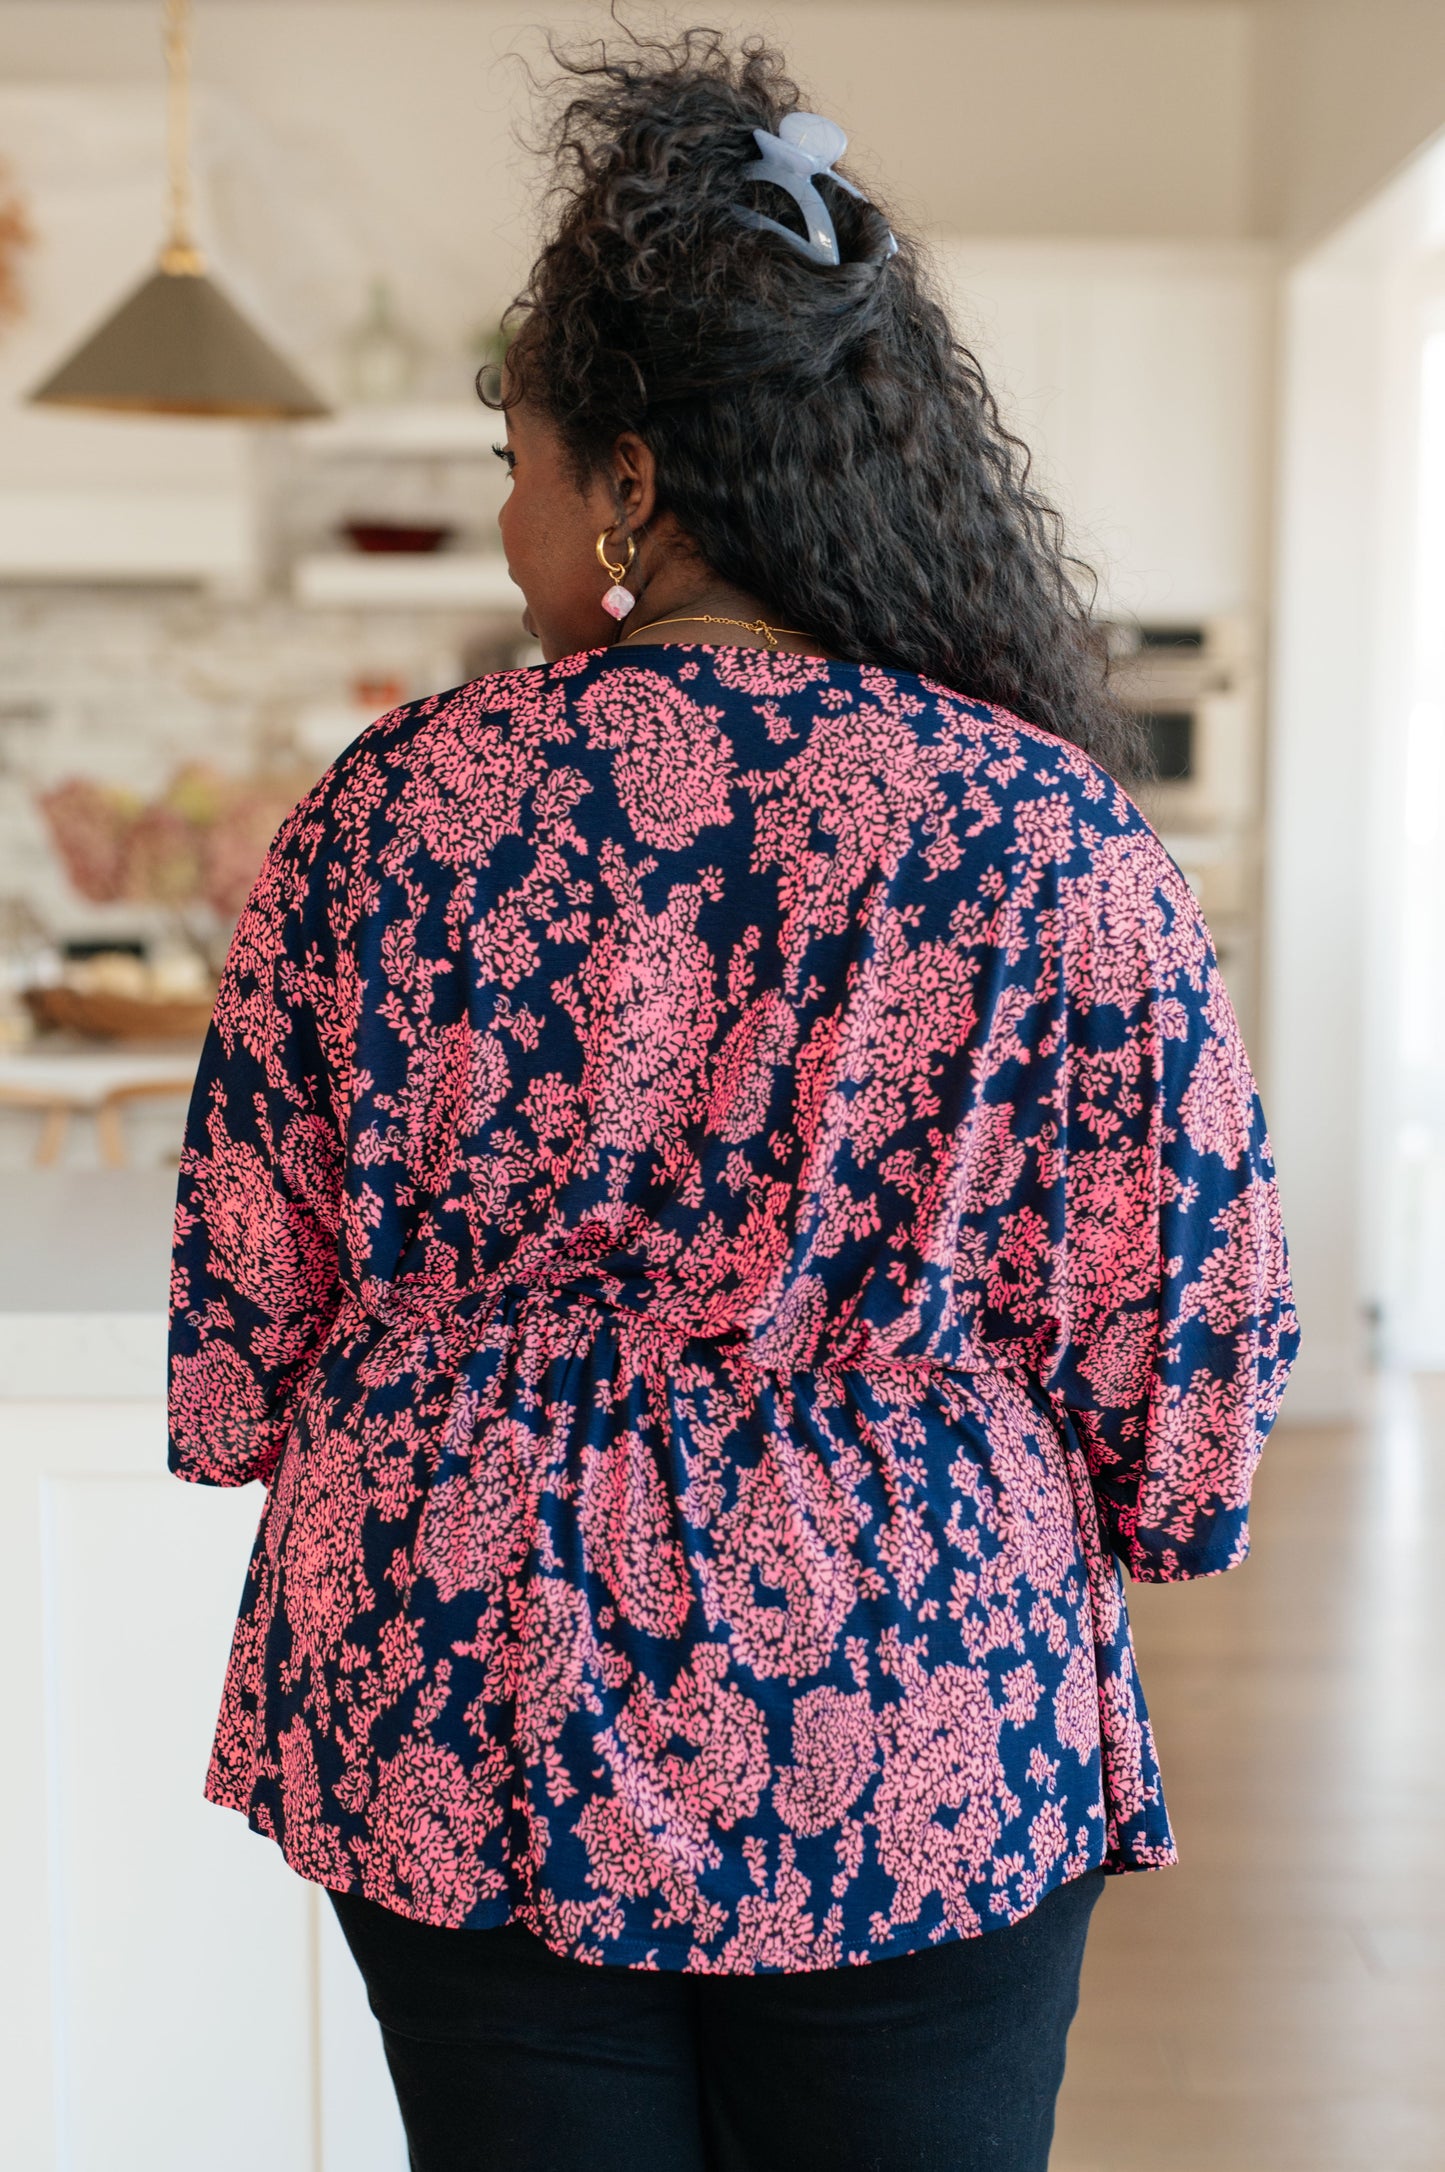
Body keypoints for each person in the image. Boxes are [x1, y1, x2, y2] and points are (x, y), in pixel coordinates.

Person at [167, 27, 1298, 2172]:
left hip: (467, 1672)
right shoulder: (1045, 831)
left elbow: (250, 1298)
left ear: (629, 483)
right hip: (914, 1674)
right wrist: (1140, 1509)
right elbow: (1192, 1336)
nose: (506, 512)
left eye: (516, 456)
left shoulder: (388, 810)